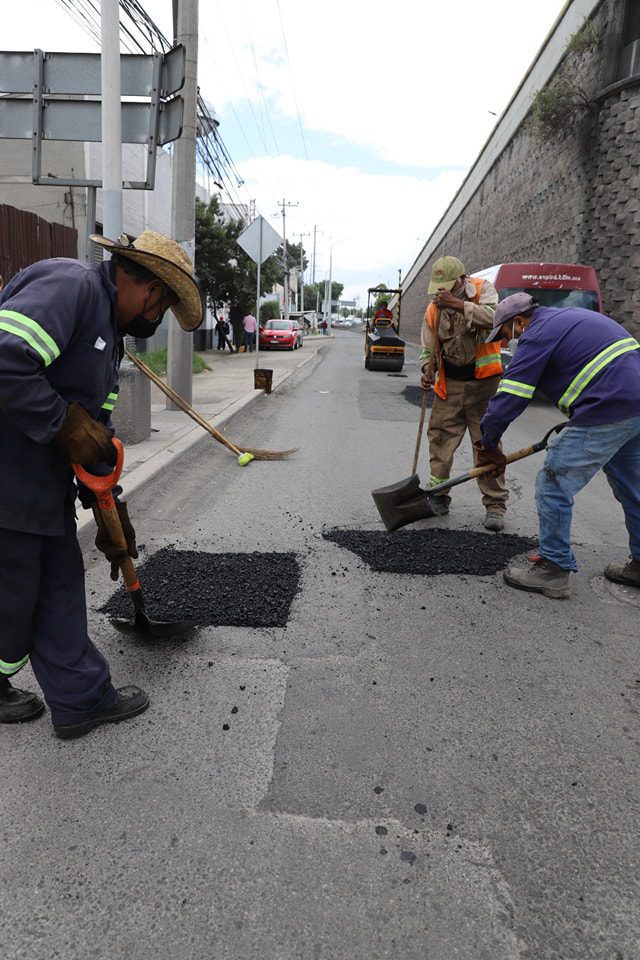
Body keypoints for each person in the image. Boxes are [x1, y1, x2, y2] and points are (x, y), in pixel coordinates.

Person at [0, 229, 203, 737]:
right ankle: (70, 695)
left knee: (58, 584)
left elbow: (96, 430)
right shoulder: (71, 287)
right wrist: (64, 424)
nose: (157, 319)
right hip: (8, 479)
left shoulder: (109, 333)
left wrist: (107, 499)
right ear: (152, 289)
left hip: (38, 487)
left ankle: (81, 699)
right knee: (19, 596)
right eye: (163, 308)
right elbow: (6, 358)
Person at [477, 292, 640, 599]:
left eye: (505, 335)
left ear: (519, 322)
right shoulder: (570, 318)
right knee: (633, 487)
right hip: (633, 406)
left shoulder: (536, 334)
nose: (505, 342)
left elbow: (510, 397)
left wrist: (488, 444)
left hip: (608, 405)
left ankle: (552, 569)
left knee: (553, 481)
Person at [420, 255, 507, 531]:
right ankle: (439, 496)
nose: (442, 292)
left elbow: (496, 319)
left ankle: (494, 505)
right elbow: (427, 346)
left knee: (487, 443)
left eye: (448, 286)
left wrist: (458, 305)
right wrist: (426, 368)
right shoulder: (434, 308)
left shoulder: (484, 290)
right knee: (440, 439)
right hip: (451, 385)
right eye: (439, 287)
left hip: (483, 386)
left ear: (462, 279)